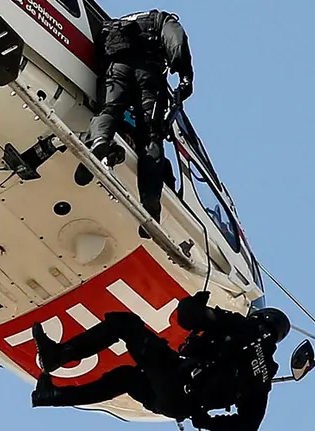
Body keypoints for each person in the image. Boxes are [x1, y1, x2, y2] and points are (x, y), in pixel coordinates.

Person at [30, 290, 291, 431]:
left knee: (125, 324)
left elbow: (188, 317)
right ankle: (52, 396)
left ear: (260, 318)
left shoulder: (241, 327)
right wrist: (207, 422)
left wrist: (197, 304)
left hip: (177, 379)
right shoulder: (264, 374)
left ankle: (59, 356)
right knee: (126, 377)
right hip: (176, 405)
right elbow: (248, 427)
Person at [76, 9, 195, 238]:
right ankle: (150, 201)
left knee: (109, 110)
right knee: (151, 136)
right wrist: (185, 75)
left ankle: (100, 140)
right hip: (148, 75)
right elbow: (176, 42)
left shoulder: (119, 23)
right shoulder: (160, 19)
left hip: (116, 69)